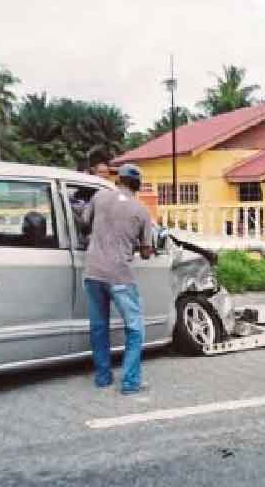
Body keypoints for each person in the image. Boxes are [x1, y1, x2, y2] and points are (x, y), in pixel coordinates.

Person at [81, 164, 154, 393]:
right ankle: (131, 383)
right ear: (138, 185)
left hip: (92, 272)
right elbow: (146, 250)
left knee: (98, 327)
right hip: (120, 276)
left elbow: (84, 222)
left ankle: (103, 377)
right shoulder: (141, 211)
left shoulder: (100, 196)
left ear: (118, 180)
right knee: (135, 328)